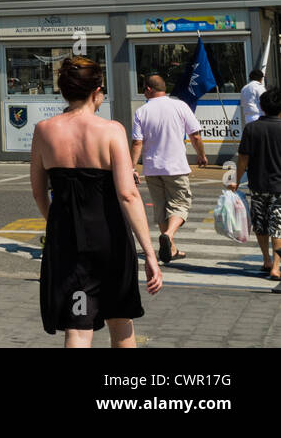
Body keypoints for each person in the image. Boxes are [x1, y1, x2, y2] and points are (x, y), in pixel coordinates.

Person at [31, 56, 161, 348]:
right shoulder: (112, 130)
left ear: (64, 90)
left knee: (77, 326)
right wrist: (149, 253)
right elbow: (128, 194)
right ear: (96, 91)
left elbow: (39, 193)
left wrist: (56, 224)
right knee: (120, 318)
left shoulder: (43, 130)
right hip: (110, 238)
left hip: (66, 241)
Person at [130, 74, 208, 263]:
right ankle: (169, 235)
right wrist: (201, 155)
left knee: (161, 207)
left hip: (152, 168)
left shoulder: (141, 112)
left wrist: (132, 168)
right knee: (180, 204)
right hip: (176, 167)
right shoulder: (180, 106)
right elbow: (195, 135)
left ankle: (171, 248)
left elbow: (137, 143)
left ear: (149, 89)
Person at [233, 87, 281, 286]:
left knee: (260, 224)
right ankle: (277, 267)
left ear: (262, 107)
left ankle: (267, 260)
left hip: (257, 185)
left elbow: (243, 158)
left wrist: (235, 181)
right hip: (280, 188)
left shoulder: (252, 128)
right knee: (278, 227)